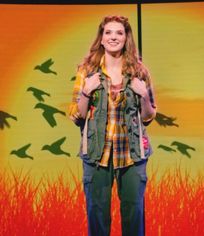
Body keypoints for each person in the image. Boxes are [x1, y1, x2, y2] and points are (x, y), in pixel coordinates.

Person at [69, 15, 157, 236]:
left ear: (126, 37)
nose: (113, 37)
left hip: (132, 155)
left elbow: (148, 116)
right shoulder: (87, 71)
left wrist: (143, 95)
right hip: (97, 154)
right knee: (97, 216)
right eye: (108, 32)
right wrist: (86, 92)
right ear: (101, 38)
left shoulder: (139, 71)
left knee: (134, 215)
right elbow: (76, 115)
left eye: (119, 32)